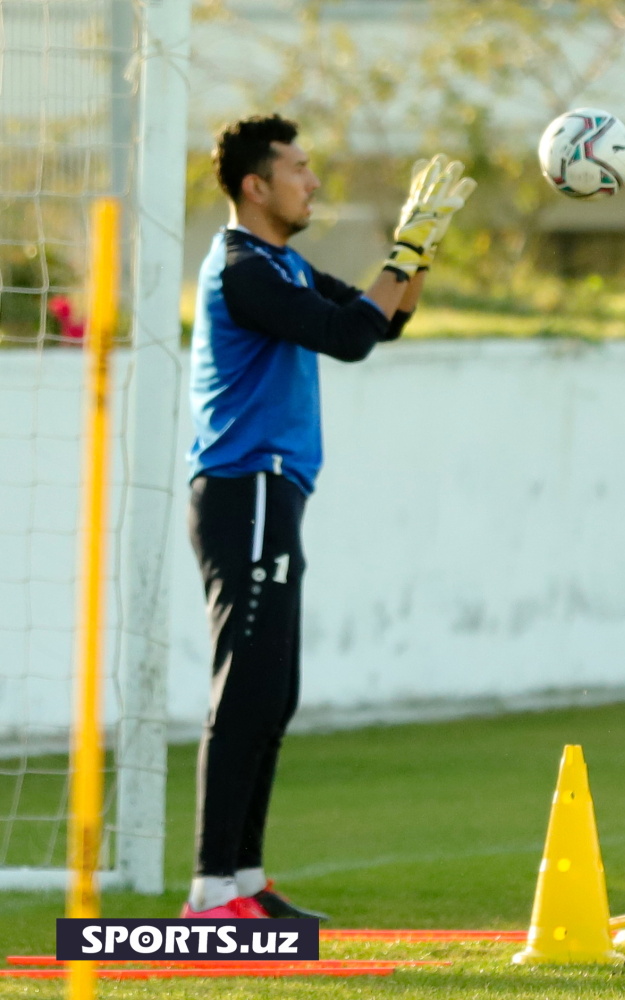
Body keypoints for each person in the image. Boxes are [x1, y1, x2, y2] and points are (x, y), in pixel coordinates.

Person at [182, 114, 475, 919]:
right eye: (300, 168)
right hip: (244, 489)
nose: (312, 181)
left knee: (275, 689)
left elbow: (382, 320)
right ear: (257, 184)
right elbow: (346, 338)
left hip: (273, 496)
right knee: (244, 687)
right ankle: (210, 896)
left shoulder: (282, 263)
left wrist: (422, 247)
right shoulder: (242, 268)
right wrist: (401, 252)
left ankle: (244, 884)